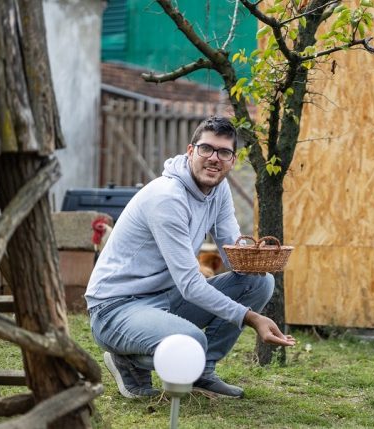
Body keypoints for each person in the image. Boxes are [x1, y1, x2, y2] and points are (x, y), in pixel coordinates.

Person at [85, 116, 296, 399]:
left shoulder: (219, 189)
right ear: (190, 151)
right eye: (206, 149)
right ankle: (127, 360)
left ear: (232, 160)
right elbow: (190, 285)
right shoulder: (167, 198)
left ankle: (202, 373)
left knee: (259, 282)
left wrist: (256, 259)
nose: (214, 158)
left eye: (224, 152)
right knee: (191, 341)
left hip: (165, 297)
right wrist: (251, 317)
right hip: (116, 307)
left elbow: (232, 255)